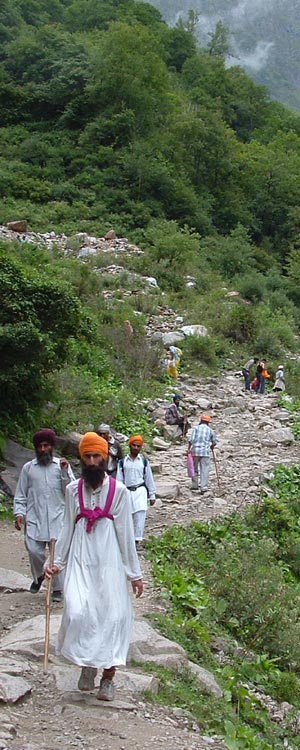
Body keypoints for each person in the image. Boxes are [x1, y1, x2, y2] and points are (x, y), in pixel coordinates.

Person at [44, 432, 143, 702]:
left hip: (108, 560)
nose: (91, 461)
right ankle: (87, 664)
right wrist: (56, 563)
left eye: (95, 456)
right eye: (86, 456)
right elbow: (66, 527)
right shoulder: (72, 490)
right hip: (80, 558)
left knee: (112, 616)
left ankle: (108, 678)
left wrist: (134, 574)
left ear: (105, 457)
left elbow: (125, 533)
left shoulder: (119, 492)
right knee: (78, 612)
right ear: (81, 458)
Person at [13, 428, 75, 602]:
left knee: (56, 555)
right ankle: (39, 576)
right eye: (39, 446)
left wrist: (64, 472)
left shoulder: (61, 466)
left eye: (46, 445)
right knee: (34, 551)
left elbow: (71, 491)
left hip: (58, 517)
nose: (42, 449)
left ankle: (56, 589)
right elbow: (21, 493)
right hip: (35, 517)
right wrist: (19, 512)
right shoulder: (28, 468)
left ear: (52, 446)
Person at [116, 435, 156, 552]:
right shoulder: (122, 462)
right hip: (127, 491)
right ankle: (127, 540)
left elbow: (149, 478)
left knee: (140, 515)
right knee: (128, 516)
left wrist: (152, 494)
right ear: (130, 445)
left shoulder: (143, 462)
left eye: (138, 446)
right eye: (134, 445)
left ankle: (137, 540)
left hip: (140, 491)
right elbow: (119, 479)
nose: (136, 448)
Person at [187, 415, 217, 493]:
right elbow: (214, 441)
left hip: (195, 451)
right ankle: (203, 487)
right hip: (205, 452)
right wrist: (212, 446)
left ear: (201, 421)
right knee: (205, 469)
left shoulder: (196, 428)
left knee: (194, 468)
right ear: (208, 422)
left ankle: (195, 485)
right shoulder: (210, 430)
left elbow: (191, 440)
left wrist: (188, 449)